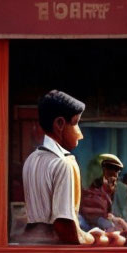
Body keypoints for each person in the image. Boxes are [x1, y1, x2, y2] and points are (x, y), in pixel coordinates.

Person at [21, 90, 92, 244]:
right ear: (60, 124)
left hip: (30, 244)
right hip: (54, 251)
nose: (80, 134)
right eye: (75, 123)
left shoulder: (31, 159)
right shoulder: (64, 163)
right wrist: (91, 239)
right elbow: (64, 225)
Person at [79, 153, 123, 230]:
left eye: (116, 170)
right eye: (110, 168)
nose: (114, 174)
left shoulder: (115, 193)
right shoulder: (88, 194)